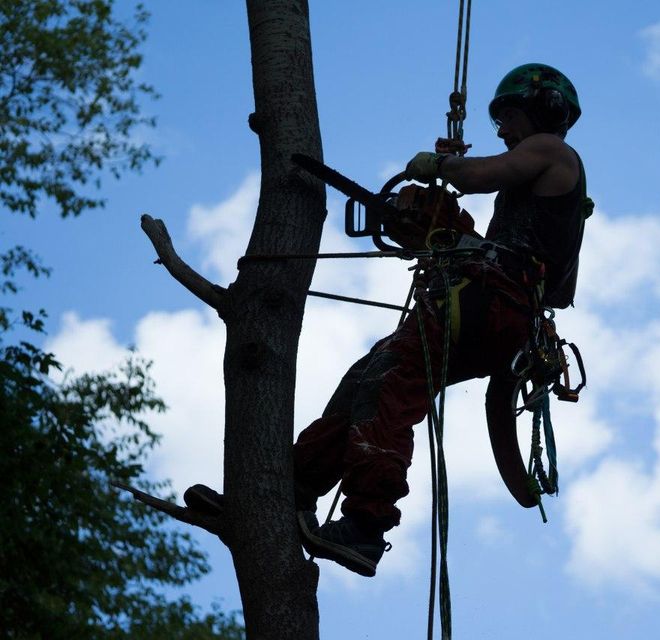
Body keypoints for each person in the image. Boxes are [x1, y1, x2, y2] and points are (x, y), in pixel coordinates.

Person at [186, 63, 587, 578]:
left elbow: (479, 177)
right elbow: (540, 272)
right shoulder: (544, 182)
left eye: (508, 118)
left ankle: (366, 526)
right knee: (367, 379)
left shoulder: (551, 151)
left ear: (541, 110)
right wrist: (455, 236)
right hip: (491, 309)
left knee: (388, 387)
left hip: (490, 306)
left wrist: (441, 166)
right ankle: (290, 491)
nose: (504, 131)